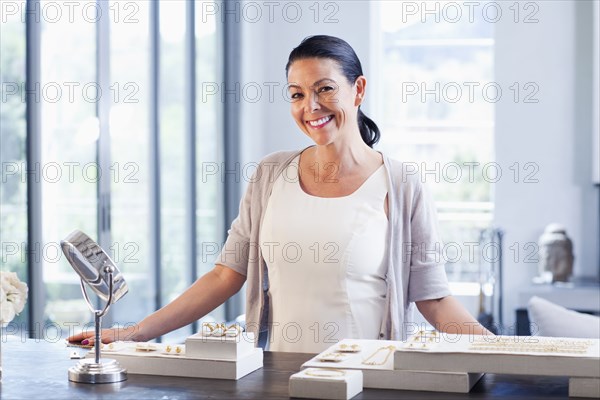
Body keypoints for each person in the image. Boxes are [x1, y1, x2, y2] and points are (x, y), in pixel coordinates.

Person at [69, 35, 492, 353]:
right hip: (276, 377)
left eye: (325, 88)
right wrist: (136, 331)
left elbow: (434, 299)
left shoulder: (401, 184)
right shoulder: (272, 173)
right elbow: (225, 275)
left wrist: (509, 351)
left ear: (358, 90)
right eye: (297, 94)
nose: (312, 106)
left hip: (366, 378)